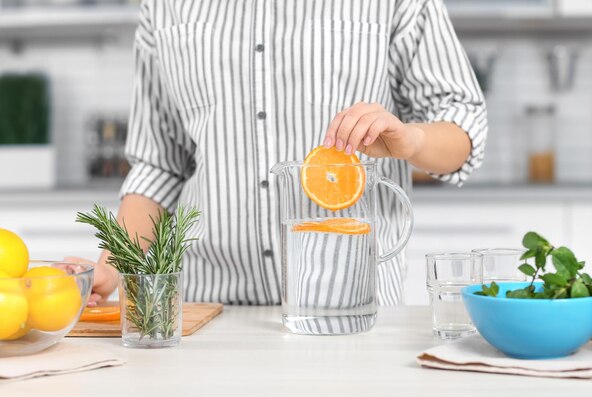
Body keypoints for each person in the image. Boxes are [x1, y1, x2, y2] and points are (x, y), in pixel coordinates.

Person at [70, 0, 487, 307]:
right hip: (210, 311)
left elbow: (463, 126)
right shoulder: (165, 7)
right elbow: (160, 164)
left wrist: (410, 139)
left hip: (350, 309)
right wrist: (113, 265)